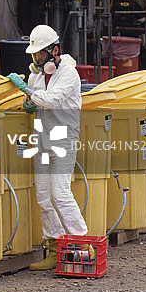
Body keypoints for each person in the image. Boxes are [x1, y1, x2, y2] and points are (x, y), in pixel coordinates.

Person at [7, 24, 87, 271]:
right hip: (41, 140)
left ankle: (83, 244)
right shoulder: (36, 75)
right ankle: (54, 249)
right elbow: (32, 101)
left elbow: (51, 100)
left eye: (40, 54)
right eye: (34, 55)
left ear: (54, 51)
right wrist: (27, 100)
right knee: (43, 198)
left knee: (61, 194)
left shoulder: (68, 74)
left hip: (63, 140)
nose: (37, 59)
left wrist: (26, 89)